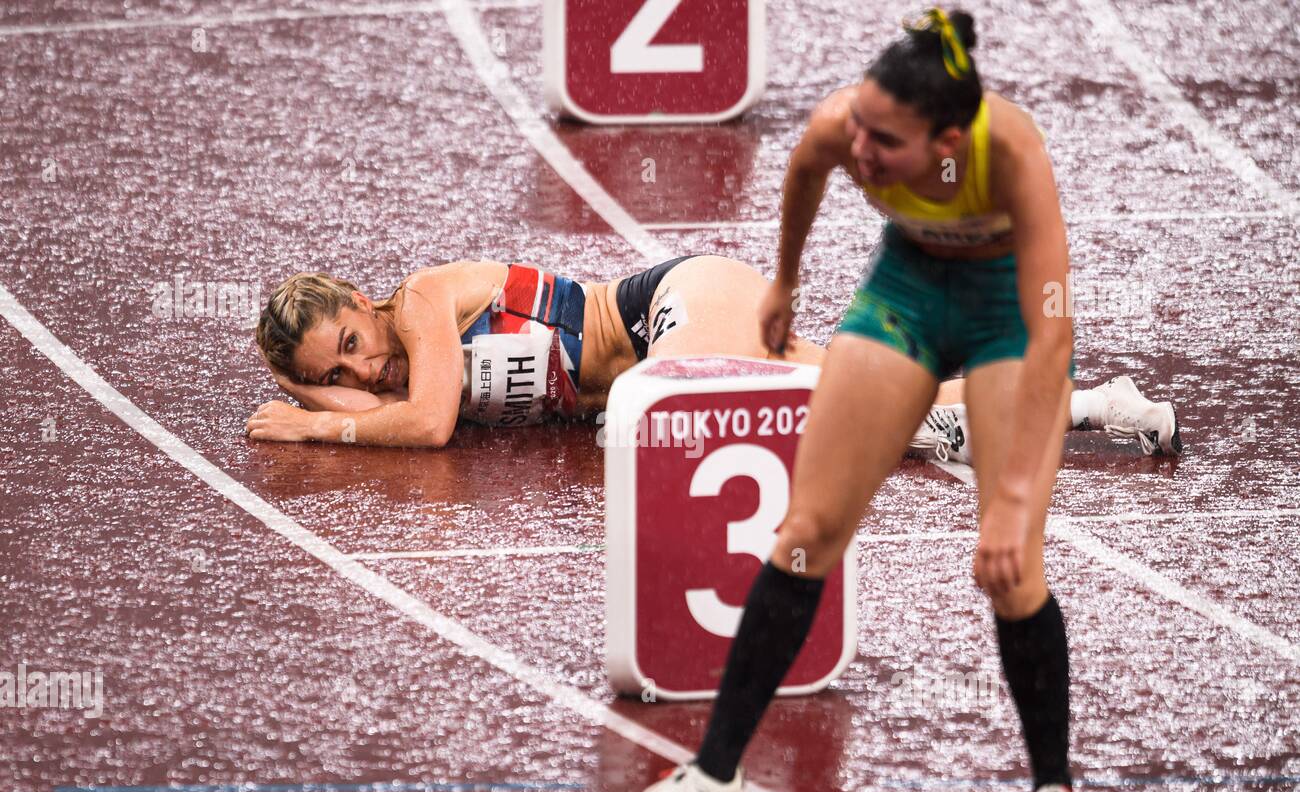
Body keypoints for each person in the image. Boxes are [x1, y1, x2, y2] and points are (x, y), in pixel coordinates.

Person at [610, 9, 1099, 792]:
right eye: (859, 127)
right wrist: (785, 285)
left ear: (948, 141)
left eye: (885, 142)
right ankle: (716, 773)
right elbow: (804, 171)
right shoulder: (847, 123)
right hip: (904, 292)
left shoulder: (1010, 154)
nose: (860, 149)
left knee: (1010, 564)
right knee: (806, 534)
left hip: (1006, 321)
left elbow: (1053, 332)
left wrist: (1013, 499)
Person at [248, 258, 1179, 461]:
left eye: (350, 347)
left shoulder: (417, 309)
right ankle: (1098, 404)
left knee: (645, 425)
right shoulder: (384, 374)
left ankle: (936, 424)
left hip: (674, 303)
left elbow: (430, 425)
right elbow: (400, 416)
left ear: (363, 303)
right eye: (334, 376)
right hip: (683, 336)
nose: (363, 376)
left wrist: (314, 422)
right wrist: (312, 395)